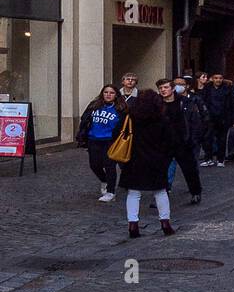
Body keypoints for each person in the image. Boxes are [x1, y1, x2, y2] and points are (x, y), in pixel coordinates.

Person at [119, 89, 176, 238]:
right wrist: (166, 158)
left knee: (133, 193)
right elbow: (170, 142)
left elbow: (119, 135)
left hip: (134, 159)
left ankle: (133, 224)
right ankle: (165, 222)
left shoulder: (130, 118)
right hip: (156, 160)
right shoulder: (162, 119)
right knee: (160, 192)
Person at [76, 84, 125, 201]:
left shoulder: (121, 108)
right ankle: (104, 180)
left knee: (109, 166)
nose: (108, 95)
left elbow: (124, 125)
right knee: (94, 165)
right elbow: (85, 119)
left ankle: (111, 192)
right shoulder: (94, 105)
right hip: (93, 139)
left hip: (110, 140)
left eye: (111, 93)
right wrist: (82, 135)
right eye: (106, 92)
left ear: (116, 95)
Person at [168, 77, 207, 200]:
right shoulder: (167, 102)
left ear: (187, 86)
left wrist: (196, 137)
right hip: (171, 141)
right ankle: (165, 190)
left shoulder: (193, 100)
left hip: (189, 141)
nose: (178, 86)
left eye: (181, 84)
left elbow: (201, 119)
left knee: (191, 167)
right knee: (169, 166)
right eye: (176, 84)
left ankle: (195, 191)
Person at [201, 72, 232, 166]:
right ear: (212, 79)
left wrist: (231, 118)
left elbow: (231, 104)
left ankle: (220, 159)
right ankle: (208, 158)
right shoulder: (207, 88)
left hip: (223, 118)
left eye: (220, 78)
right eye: (216, 78)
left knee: (221, 140)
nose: (218, 80)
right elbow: (203, 101)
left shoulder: (227, 89)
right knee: (208, 139)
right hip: (210, 118)